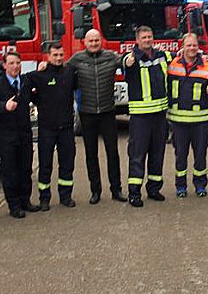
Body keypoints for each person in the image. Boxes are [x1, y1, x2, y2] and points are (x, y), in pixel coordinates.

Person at [67, 29, 126, 204]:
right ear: (85, 42)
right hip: (87, 113)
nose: (94, 44)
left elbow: (125, 61)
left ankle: (116, 190)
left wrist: (129, 58)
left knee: (112, 153)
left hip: (108, 112)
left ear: (101, 41)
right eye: (90, 41)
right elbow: (61, 71)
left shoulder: (110, 56)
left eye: (96, 40)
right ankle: (95, 191)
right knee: (91, 155)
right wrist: (44, 66)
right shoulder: (77, 59)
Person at [0, 51, 39, 218]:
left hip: (24, 134)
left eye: (18, 63)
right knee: (10, 172)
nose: (16, 66)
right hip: (6, 136)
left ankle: (25, 201)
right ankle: (14, 206)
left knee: (25, 169)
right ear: (5, 66)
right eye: (12, 63)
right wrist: (3, 106)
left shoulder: (25, 82)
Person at [122, 26, 172, 207]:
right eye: (143, 37)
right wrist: (128, 62)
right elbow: (126, 65)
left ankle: (154, 189)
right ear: (137, 40)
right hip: (140, 118)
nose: (147, 40)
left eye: (149, 36)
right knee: (137, 155)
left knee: (158, 154)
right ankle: (134, 193)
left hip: (160, 116)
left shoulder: (162, 56)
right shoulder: (132, 58)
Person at [167, 33, 208, 198]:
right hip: (178, 121)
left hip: (201, 121)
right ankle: (180, 186)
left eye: (194, 45)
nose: (192, 48)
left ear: (198, 47)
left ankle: (200, 185)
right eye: (188, 45)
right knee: (180, 155)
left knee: (200, 156)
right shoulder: (171, 65)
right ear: (183, 47)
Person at [28, 43, 78, 209]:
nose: (58, 58)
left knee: (67, 164)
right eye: (55, 55)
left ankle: (65, 196)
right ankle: (44, 198)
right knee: (45, 165)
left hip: (66, 128)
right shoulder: (39, 75)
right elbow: (25, 85)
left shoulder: (69, 72)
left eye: (61, 55)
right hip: (46, 128)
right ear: (48, 57)